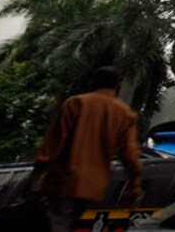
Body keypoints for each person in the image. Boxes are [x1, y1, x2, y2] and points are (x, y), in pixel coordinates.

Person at [27, 66, 142, 232]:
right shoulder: (125, 114)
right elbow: (130, 155)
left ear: (93, 82)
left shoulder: (76, 103)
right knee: (68, 222)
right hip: (93, 186)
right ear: (117, 85)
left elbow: (53, 144)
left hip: (63, 181)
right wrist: (134, 185)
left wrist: (35, 175)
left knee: (58, 222)